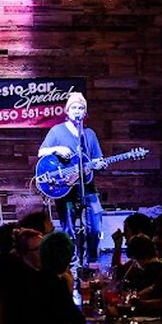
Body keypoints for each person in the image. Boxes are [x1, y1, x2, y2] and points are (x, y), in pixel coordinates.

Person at [38, 92, 106, 265]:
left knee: (95, 227)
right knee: (69, 228)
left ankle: (92, 262)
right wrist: (57, 149)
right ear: (67, 111)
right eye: (74, 107)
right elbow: (41, 152)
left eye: (81, 108)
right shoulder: (57, 131)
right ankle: (71, 264)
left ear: (85, 112)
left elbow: (97, 159)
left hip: (88, 187)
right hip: (65, 189)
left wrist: (99, 164)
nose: (77, 111)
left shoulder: (89, 134)